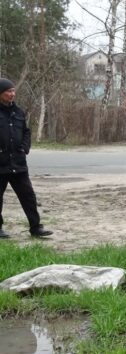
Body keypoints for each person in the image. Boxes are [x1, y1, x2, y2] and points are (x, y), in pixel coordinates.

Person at [0, 78, 52, 239]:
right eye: (8, 91)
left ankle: (36, 228)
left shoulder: (19, 112)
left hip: (18, 163)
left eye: (13, 91)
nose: (12, 94)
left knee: (28, 196)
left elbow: (26, 132)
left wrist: (24, 147)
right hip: (1, 164)